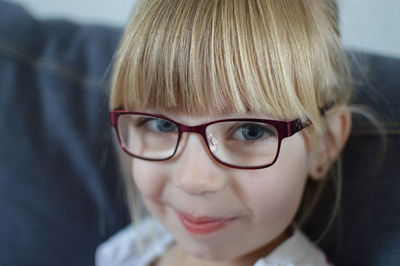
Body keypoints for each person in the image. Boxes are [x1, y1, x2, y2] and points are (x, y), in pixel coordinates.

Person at [96, 0, 353, 265]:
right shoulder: (128, 251)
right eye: (162, 125)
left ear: (325, 143)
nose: (194, 180)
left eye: (249, 131)